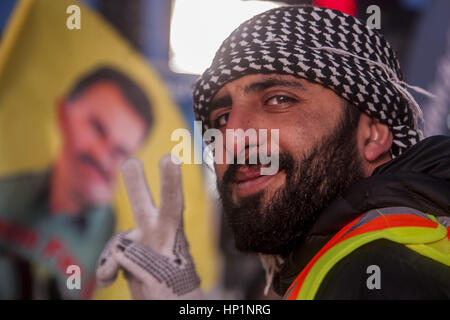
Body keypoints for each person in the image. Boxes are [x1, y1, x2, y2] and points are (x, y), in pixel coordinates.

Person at [96, 6, 450, 299]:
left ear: (373, 131)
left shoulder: (381, 271)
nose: (231, 139)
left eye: (279, 99)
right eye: (220, 118)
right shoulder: (334, 261)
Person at [0, 66, 153, 299]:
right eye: (97, 128)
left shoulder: (116, 241)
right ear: (64, 113)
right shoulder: (8, 192)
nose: (102, 156)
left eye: (120, 151)